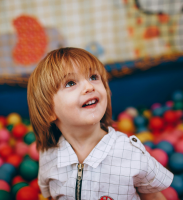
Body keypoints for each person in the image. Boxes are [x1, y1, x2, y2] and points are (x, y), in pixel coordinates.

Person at [27, 47, 173, 200]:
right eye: (70, 83)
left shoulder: (129, 153)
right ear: (49, 111)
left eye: (93, 77)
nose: (89, 87)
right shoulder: (49, 157)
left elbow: (153, 197)